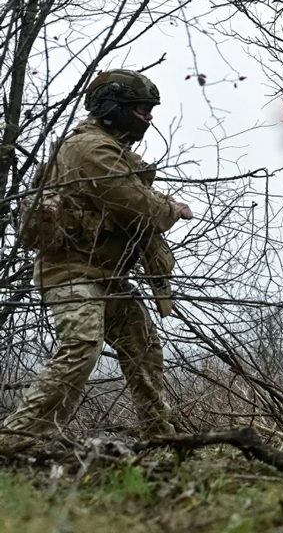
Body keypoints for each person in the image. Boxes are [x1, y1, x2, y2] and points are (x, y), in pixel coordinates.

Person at [3, 69, 192, 441]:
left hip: (105, 275)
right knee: (82, 349)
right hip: (72, 273)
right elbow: (135, 203)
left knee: (143, 349)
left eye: (149, 110)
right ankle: (15, 439)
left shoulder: (109, 146)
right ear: (111, 107)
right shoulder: (91, 148)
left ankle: (160, 436)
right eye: (140, 110)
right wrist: (171, 207)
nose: (147, 118)